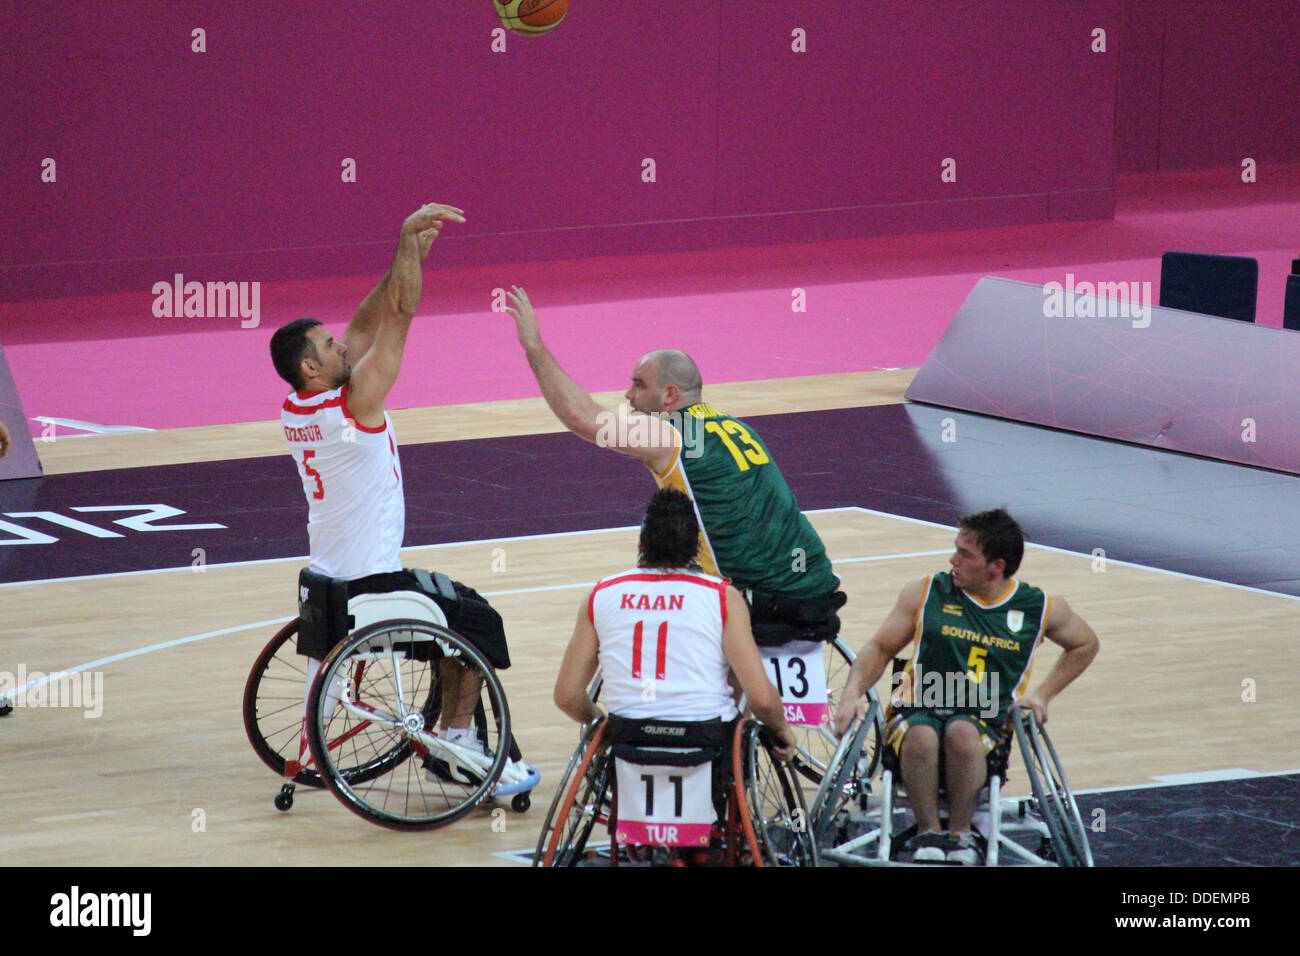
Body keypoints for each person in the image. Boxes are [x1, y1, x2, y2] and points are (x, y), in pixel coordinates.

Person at [269, 201, 517, 785]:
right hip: (371, 585)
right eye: (329, 347)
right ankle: (455, 739)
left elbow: (365, 318)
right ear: (311, 365)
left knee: (464, 602)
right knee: (482, 624)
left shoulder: (296, 405)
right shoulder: (354, 406)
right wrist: (405, 245)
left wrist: (405, 256)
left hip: (326, 579)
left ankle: (459, 728)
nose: (343, 347)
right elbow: (400, 314)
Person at [503, 286, 843, 646]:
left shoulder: (673, 436)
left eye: (638, 384)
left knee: (639, 620)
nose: (627, 395)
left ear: (669, 395)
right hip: (816, 580)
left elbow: (582, 417)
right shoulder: (737, 426)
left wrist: (534, 348)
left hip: (761, 598)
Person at [832, 508, 1099, 865]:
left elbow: (1085, 644)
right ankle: (929, 833)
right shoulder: (926, 591)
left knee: (961, 732)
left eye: (965, 554)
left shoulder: (1040, 607)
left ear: (996, 566)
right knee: (923, 735)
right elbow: (880, 648)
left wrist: (1042, 695)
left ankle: (960, 836)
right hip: (918, 702)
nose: (952, 559)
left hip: (983, 715)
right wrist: (851, 694)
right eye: (956, 549)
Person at [553, 487, 797, 762]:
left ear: (641, 544)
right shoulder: (723, 597)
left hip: (628, 737)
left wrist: (600, 723)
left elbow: (567, 695)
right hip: (704, 740)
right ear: (696, 547)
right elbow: (762, 701)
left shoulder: (600, 595)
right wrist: (781, 728)